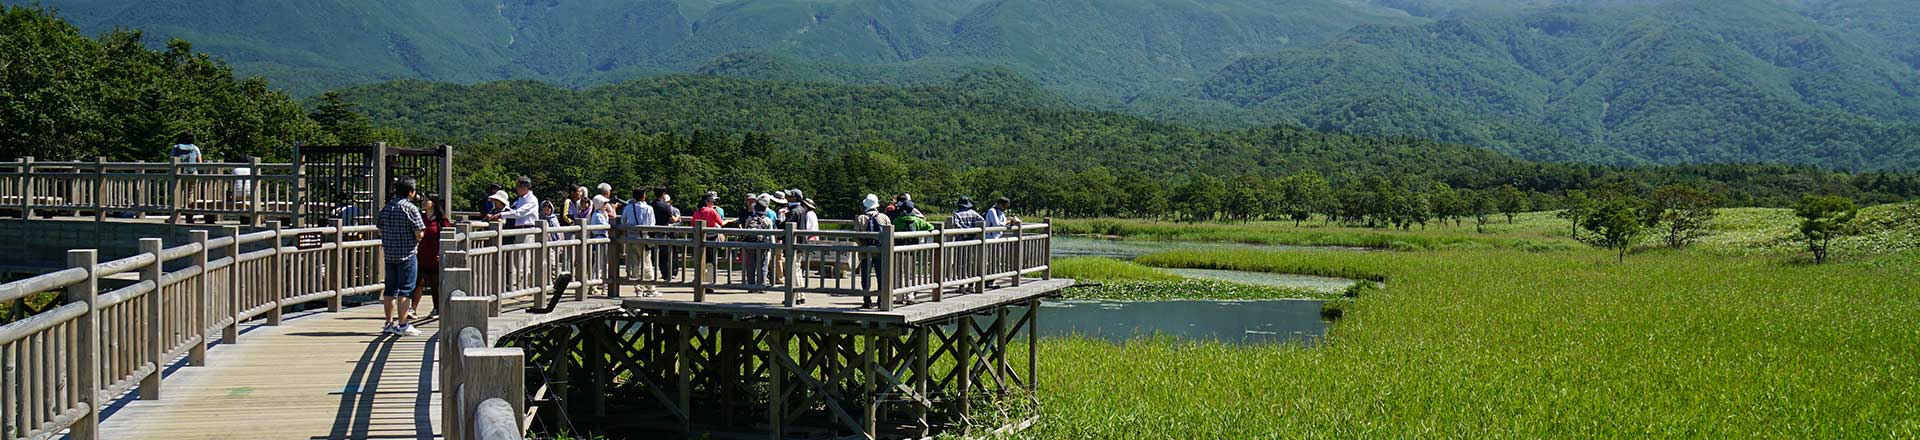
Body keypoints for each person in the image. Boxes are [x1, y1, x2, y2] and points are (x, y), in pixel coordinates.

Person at [376, 177, 425, 336]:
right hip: (407, 254)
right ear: (410, 192)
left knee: (390, 290)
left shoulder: (387, 207)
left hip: (389, 254)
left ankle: (389, 323)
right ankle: (403, 324)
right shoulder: (410, 208)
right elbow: (419, 233)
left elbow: (380, 229)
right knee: (405, 290)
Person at [411, 198, 454, 319]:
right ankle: (413, 309)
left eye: (427, 200)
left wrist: (443, 252)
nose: (424, 202)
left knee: (435, 283)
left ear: (434, 203)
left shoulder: (442, 220)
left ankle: (437, 309)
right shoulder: (420, 217)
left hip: (435, 255)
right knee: (418, 281)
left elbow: (449, 236)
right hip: (421, 253)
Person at [618, 188, 659, 297]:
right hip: (644, 238)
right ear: (643, 196)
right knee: (646, 263)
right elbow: (652, 225)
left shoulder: (628, 207)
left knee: (634, 264)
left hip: (631, 238)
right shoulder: (648, 208)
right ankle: (651, 288)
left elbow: (623, 221)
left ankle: (638, 288)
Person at [854, 194, 891, 307]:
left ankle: (867, 300)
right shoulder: (884, 217)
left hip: (866, 252)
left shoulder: (860, 218)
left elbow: (856, 235)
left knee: (866, 276)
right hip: (880, 251)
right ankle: (881, 300)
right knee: (881, 276)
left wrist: (862, 246)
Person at [491, 176, 540, 243]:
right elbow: (514, 211)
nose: (516, 189)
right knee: (517, 252)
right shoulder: (520, 199)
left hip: (527, 230)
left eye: (518, 187)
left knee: (524, 252)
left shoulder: (532, 200)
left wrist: (501, 214)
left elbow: (519, 213)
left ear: (524, 188)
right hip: (519, 229)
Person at [738, 200, 774, 292]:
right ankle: (761, 286)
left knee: (750, 265)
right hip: (763, 245)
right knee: (763, 266)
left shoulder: (750, 218)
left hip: (750, 245)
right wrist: (772, 246)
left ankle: (751, 286)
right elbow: (771, 234)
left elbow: (745, 231)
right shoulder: (767, 220)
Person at [649, 188, 681, 282]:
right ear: (663, 194)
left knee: (656, 254)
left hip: (652, 231)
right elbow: (673, 220)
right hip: (663, 231)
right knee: (665, 254)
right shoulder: (665, 206)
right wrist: (678, 217)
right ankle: (667, 274)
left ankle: (662, 273)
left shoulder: (651, 205)